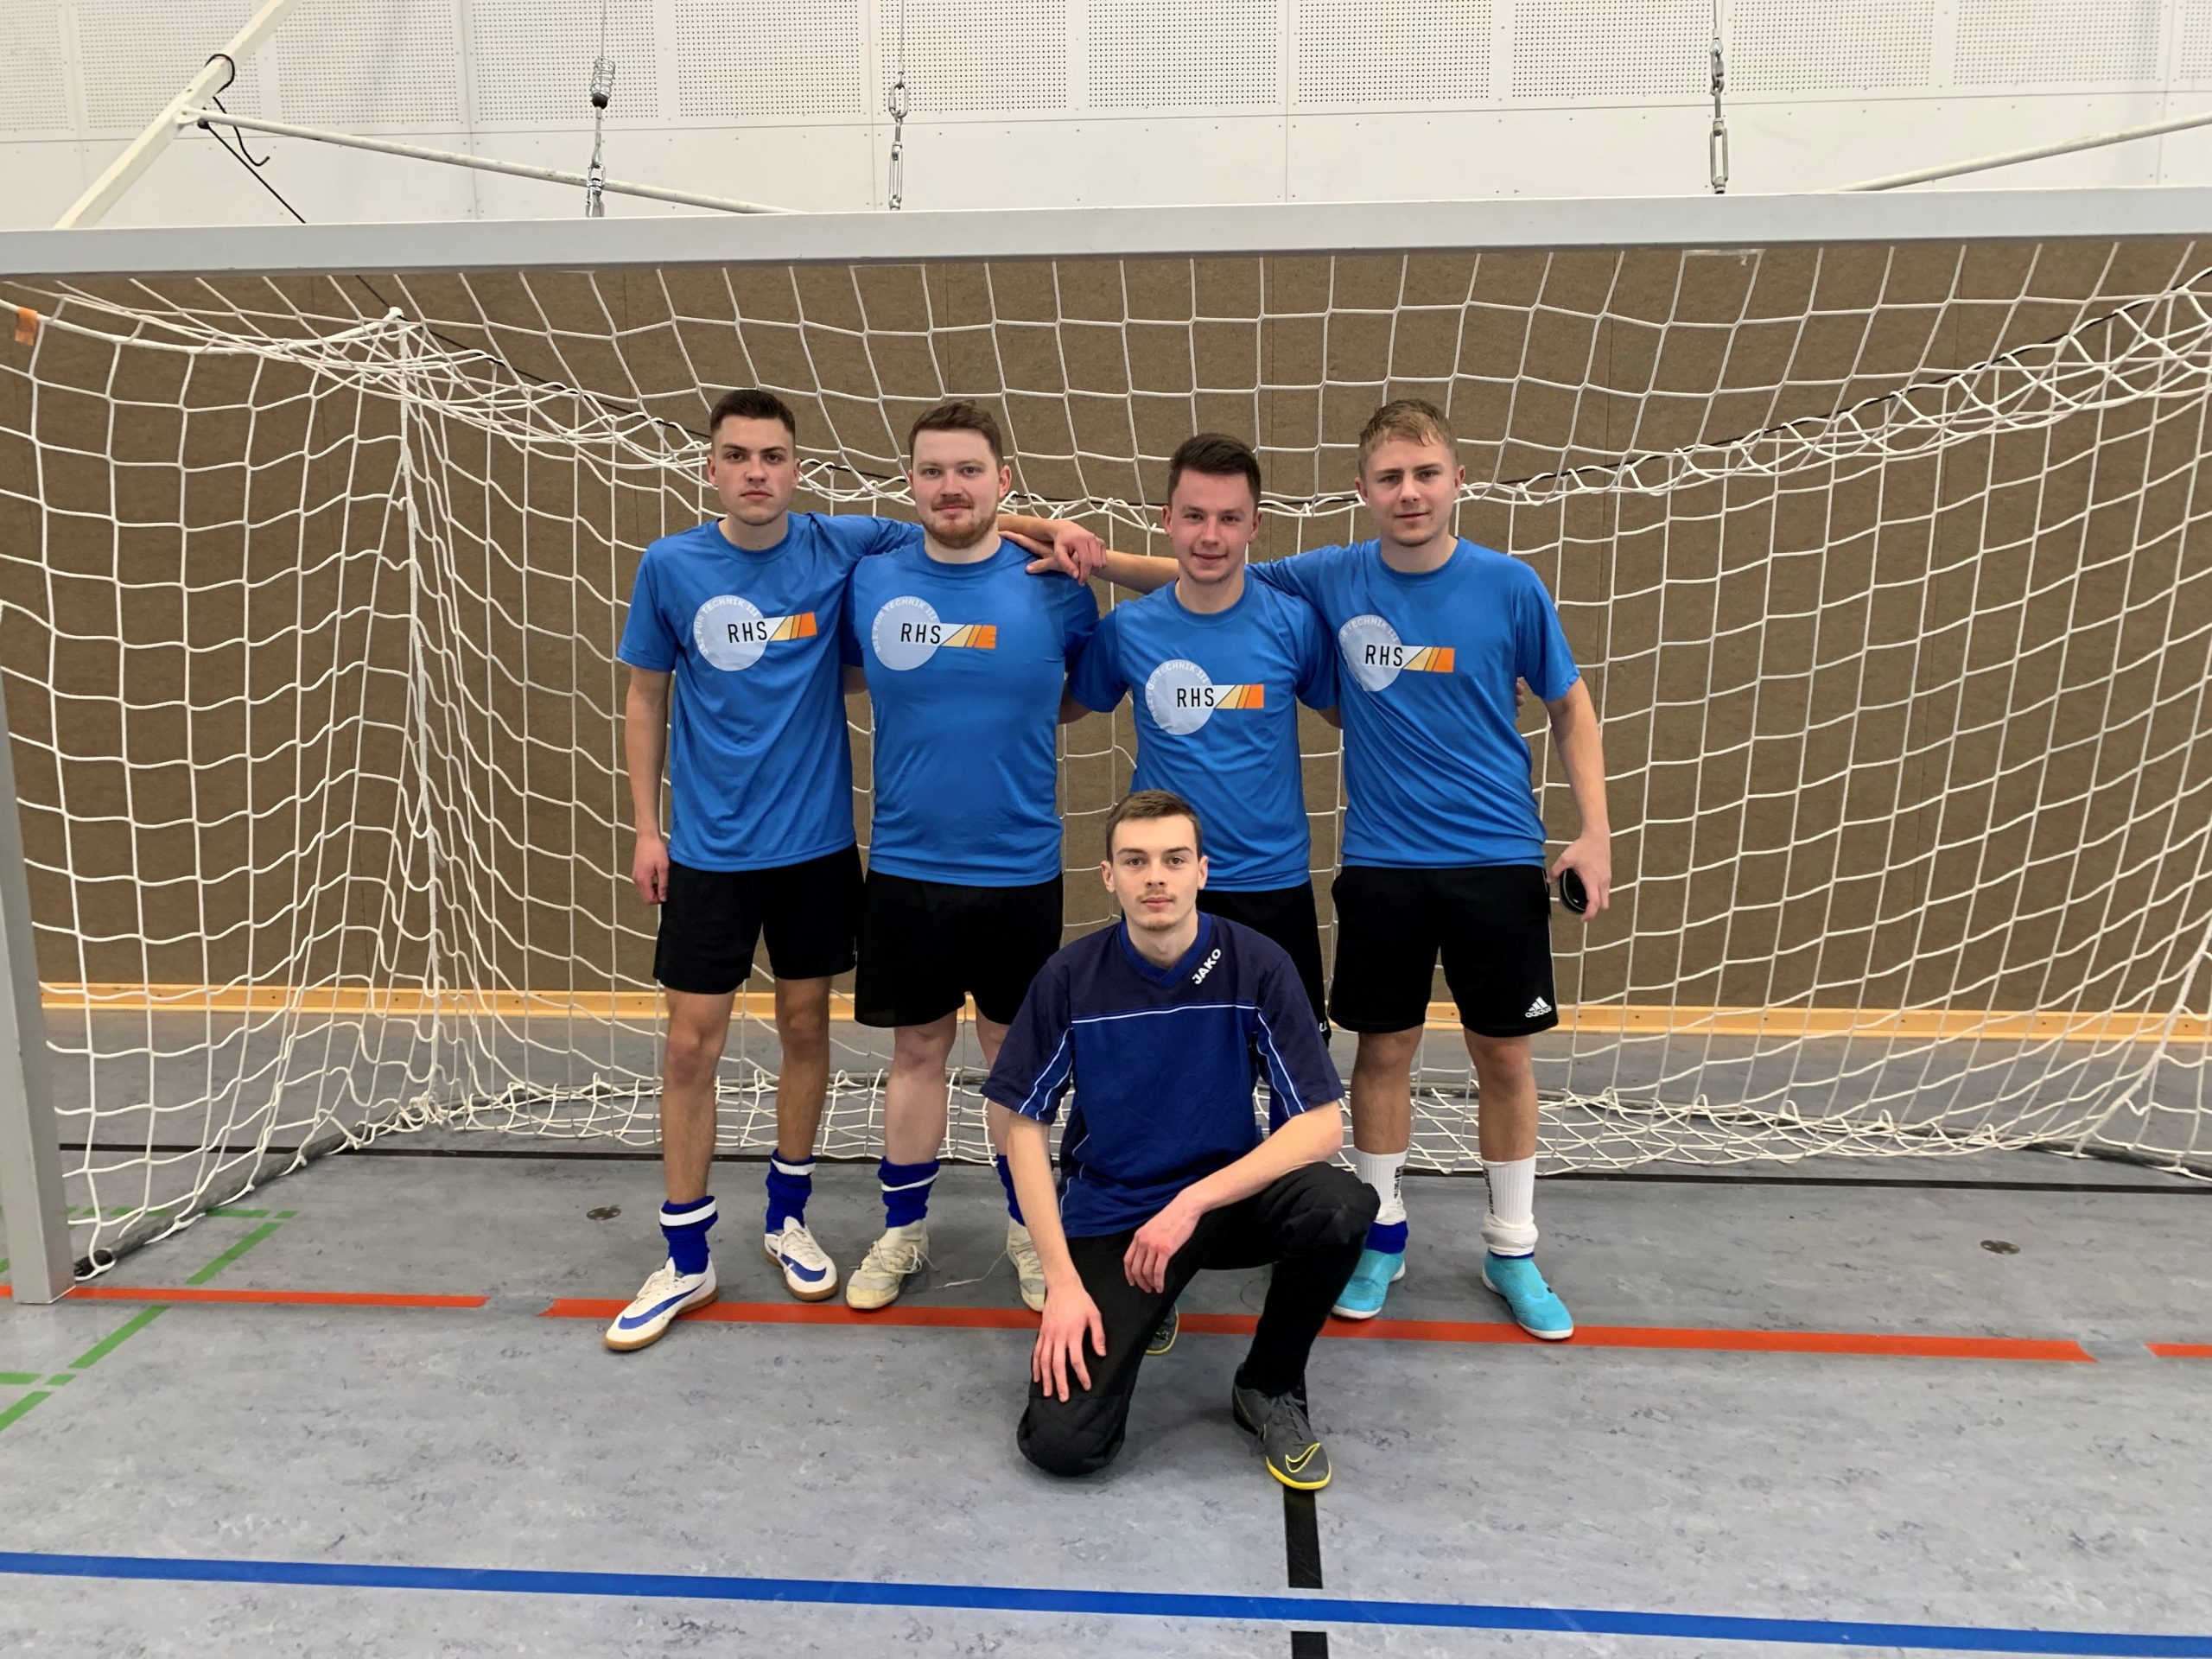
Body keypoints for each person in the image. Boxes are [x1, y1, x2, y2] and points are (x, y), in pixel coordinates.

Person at [1027, 401, 1611, 1337]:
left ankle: (1512, 1246)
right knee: (1376, 1053)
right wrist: (1078, 551)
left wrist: (1595, 833)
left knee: (1498, 1055)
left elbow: (1569, 705)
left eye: (1426, 473)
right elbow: (1199, 573)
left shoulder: (1500, 587)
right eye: (1391, 477)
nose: (1409, 492)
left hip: (1491, 855)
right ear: (1361, 490)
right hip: (1373, 863)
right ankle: (1374, 1239)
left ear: (1458, 480)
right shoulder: (1324, 580)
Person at [606, 389, 1101, 1352]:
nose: (756, 472)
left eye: (773, 456)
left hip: (877, 855)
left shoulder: (886, 556)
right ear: (711, 467)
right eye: (738, 455)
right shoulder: (786, 567)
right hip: (787, 857)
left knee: (887, 1040)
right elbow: (645, 696)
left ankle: (860, 1223)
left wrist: (1057, 531)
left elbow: (1048, 646)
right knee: (712, 1050)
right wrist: (645, 827)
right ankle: (707, 1252)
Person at [988, 790, 1375, 1487]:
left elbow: (1320, 1126)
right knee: (1064, 1446)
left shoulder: (1258, 965)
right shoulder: (1069, 977)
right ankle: (1149, 1299)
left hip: (1221, 1203)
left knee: (1339, 1205)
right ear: (1109, 876)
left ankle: (1268, 1386)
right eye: (1135, 861)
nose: (1155, 878)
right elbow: (1023, 1127)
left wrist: (1191, 1202)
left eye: (1173, 860)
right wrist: (1062, 1282)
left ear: (1202, 870)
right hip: (1115, 1212)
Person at [840, 399, 1102, 1313]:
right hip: (906, 867)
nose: (950, 487)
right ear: (909, 481)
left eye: (969, 470)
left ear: (1002, 479)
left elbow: (1076, 695)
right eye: (932, 471)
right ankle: (902, 1230)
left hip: (1019, 868)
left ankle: (1030, 1232)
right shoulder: (869, 576)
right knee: (916, 1050)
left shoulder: (1057, 586)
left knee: (1013, 1059)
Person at [1065, 433, 1338, 1031]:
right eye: (1194, 516)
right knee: (1165, 1064)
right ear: (1167, 520)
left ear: (1254, 526)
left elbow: (1354, 713)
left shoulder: (1294, 623)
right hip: (1167, 886)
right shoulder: (1127, 630)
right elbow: (1054, 709)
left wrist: (1470, 686)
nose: (1210, 535)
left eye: (1228, 518)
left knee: (1292, 1068)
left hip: (1272, 884)